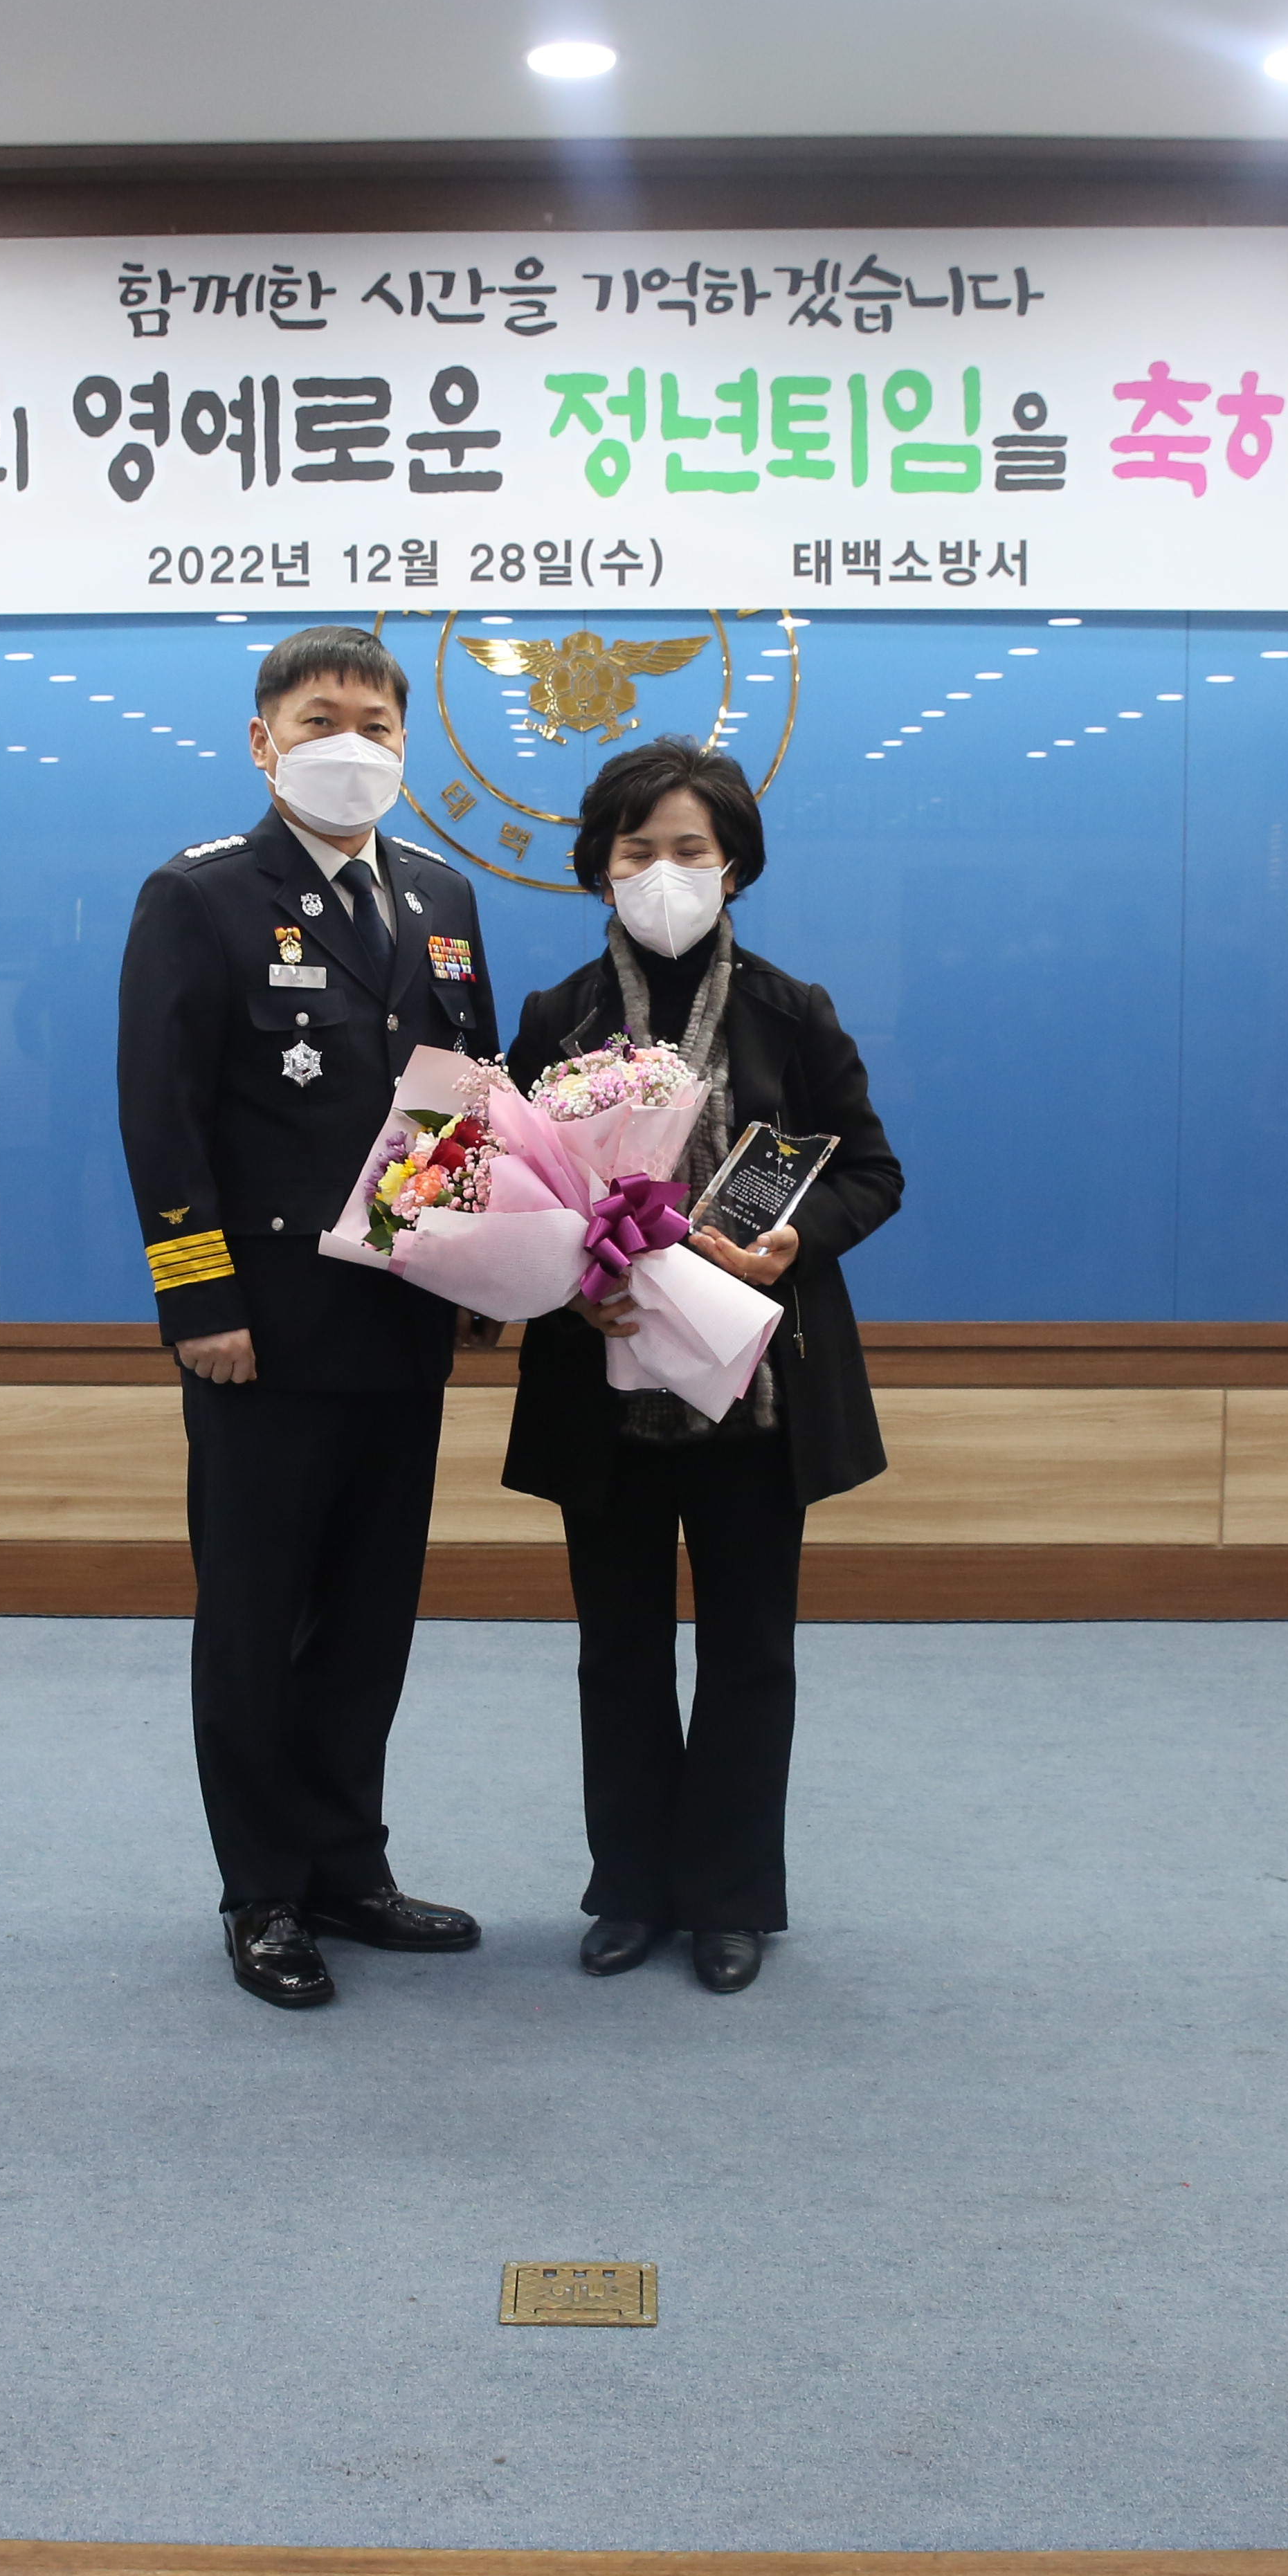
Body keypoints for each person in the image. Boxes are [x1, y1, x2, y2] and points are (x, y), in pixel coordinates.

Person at [114, 625, 502, 2011]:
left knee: (369, 1615)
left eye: (377, 724)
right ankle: (265, 1893)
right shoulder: (201, 894)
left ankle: (348, 1866)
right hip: (262, 1334)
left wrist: (471, 1265)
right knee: (257, 1617)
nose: (352, 745)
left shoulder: (443, 893)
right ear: (262, 741)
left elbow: (463, 1091)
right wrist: (198, 1297)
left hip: (399, 1321)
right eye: (321, 719)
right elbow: (161, 1116)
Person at [499, 736, 902, 1996]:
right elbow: (508, 1190)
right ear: (598, 866)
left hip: (755, 1394)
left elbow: (872, 1172)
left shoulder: (793, 1010)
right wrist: (569, 1275)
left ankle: (730, 1898)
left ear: (735, 867)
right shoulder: (556, 1017)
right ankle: (630, 1889)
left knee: (748, 1652)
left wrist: (796, 1240)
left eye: (691, 849)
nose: (663, 873)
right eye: (638, 850)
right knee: (616, 1650)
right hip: (603, 1389)